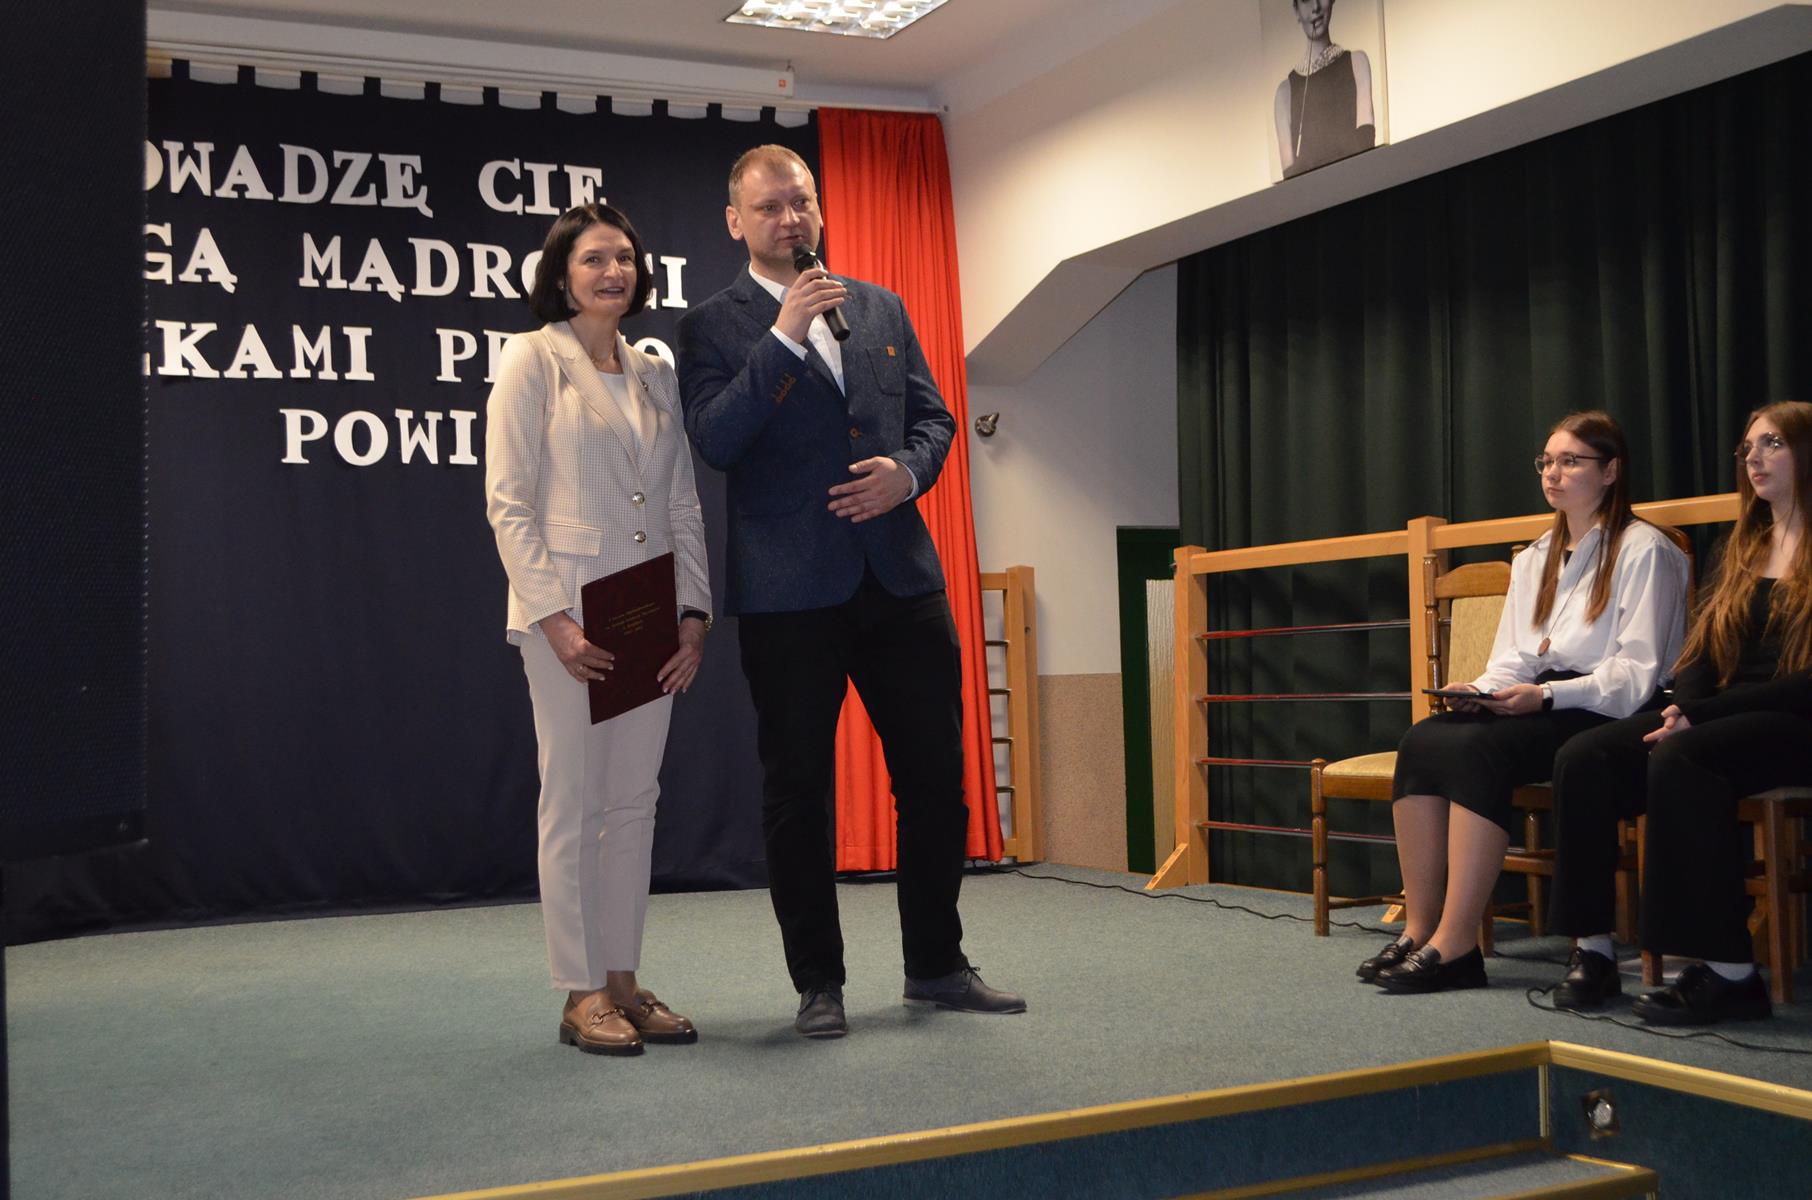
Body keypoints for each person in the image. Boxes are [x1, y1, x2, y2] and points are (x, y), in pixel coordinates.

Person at [675, 144, 1023, 1039]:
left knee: (936, 781)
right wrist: (784, 335)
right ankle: (818, 983)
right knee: (798, 793)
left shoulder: (879, 306)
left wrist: (908, 474)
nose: (788, 219)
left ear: (819, 209)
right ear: (736, 223)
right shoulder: (712, 326)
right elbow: (716, 438)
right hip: (789, 593)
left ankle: (936, 966)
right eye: (768, 207)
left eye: (800, 202)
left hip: (899, 578)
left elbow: (934, 418)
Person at [484, 202, 713, 1056]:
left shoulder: (655, 372)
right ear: (562, 274)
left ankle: (622, 979)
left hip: (650, 615)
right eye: (593, 259)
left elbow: (682, 503)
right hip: (570, 620)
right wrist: (554, 619)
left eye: (624, 257)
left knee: (633, 804)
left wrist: (694, 613)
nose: (613, 272)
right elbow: (509, 504)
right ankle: (580, 991)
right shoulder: (531, 359)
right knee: (574, 803)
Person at [1362, 411, 1689, 994]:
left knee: (1479, 750)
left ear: (1610, 471)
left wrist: (1546, 696)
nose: (1552, 474)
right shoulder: (1536, 555)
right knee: (1424, 739)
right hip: (1544, 699)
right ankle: (1420, 928)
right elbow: (1514, 656)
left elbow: (1634, 674)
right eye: (1547, 461)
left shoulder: (1646, 550)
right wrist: (1481, 690)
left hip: (1608, 706)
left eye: (1570, 461)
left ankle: (1458, 944)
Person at [1546, 402, 1812, 1023]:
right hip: (1723, 715)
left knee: (1684, 756)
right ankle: (1592, 949)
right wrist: (1684, 706)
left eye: (1772, 443)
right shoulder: (1741, 545)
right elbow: (1701, 649)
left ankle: (1729, 973)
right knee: (1586, 755)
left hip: (1795, 718)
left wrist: (1702, 717)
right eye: (1747, 447)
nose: (1753, 458)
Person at [1273, 0, 1376, 180]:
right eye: (1306, 0)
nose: (1316, 7)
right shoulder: (1284, 93)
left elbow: (1365, 144)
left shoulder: (1357, 62)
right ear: (1296, 11)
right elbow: (1291, 180)